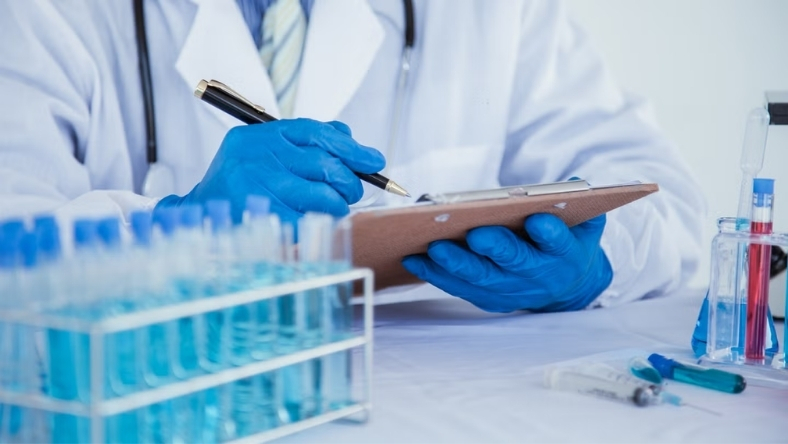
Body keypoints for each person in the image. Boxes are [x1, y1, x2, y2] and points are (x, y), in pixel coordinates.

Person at [0, 0, 704, 313]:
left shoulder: (498, 10)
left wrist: (602, 264)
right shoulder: (45, 15)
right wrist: (174, 230)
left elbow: (661, 194)